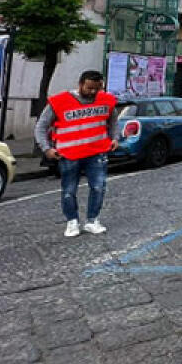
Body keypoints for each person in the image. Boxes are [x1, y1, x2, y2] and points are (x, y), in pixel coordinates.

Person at [35, 70, 118, 238]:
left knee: (98, 187)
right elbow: (41, 126)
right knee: (69, 190)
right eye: (89, 88)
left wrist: (115, 138)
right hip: (69, 154)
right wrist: (46, 148)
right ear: (80, 84)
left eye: (97, 88)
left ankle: (92, 220)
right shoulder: (59, 102)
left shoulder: (106, 100)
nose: (93, 92)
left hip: (97, 152)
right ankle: (72, 221)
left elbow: (113, 121)